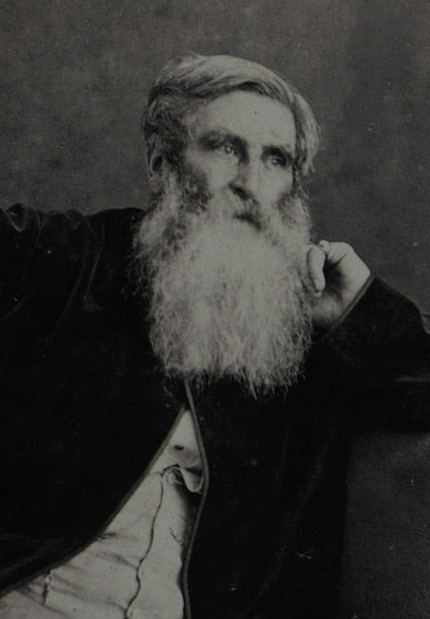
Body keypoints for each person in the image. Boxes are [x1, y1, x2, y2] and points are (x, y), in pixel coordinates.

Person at [0, 52, 428, 619]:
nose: (251, 183)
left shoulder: (305, 327)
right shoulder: (68, 259)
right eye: (225, 148)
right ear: (161, 164)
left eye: (275, 159)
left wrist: (363, 309)